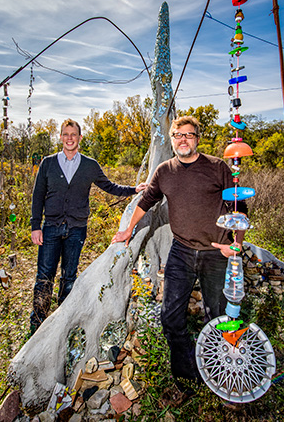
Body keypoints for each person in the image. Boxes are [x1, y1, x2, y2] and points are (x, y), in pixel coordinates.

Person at [112, 115, 247, 397]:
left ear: (197, 138)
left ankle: (227, 371)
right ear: (172, 139)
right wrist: (127, 230)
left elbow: (240, 207)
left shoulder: (217, 167)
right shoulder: (164, 171)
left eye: (188, 134)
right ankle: (187, 375)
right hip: (181, 251)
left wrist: (235, 244)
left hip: (216, 252)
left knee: (222, 315)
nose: (182, 140)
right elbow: (147, 201)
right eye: (177, 135)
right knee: (171, 318)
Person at [29, 119, 147, 334]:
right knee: (44, 276)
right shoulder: (48, 163)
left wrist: (134, 189)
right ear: (61, 137)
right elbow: (37, 196)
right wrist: (35, 225)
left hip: (76, 228)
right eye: (65, 134)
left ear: (80, 138)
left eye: (73, 134)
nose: (69, 138)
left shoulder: (89, 165)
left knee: (69, 276)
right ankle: (37, 326)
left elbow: (109, 186)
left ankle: (62, 324)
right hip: (51, 227)